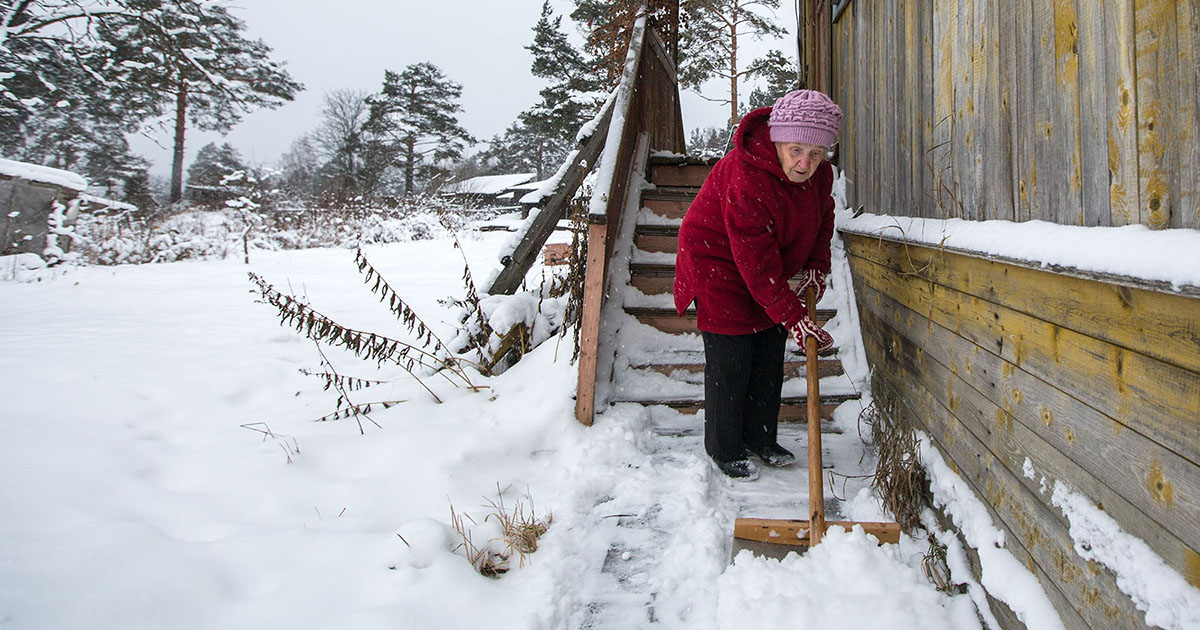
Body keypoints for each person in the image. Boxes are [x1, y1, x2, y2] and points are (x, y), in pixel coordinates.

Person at [673, 89, 842, 481]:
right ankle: (725, 446)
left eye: (816, 154)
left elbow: (823, 218)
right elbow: (755, 259)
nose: (805, 164)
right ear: (779, 140)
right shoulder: (747, 175)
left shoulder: (820, 176)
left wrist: (816, 265)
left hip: (764, 262)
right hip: (715, 261)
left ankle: (761, 438)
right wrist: (794, 316)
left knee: (768, 352)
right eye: (796, 150)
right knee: (732, 359)